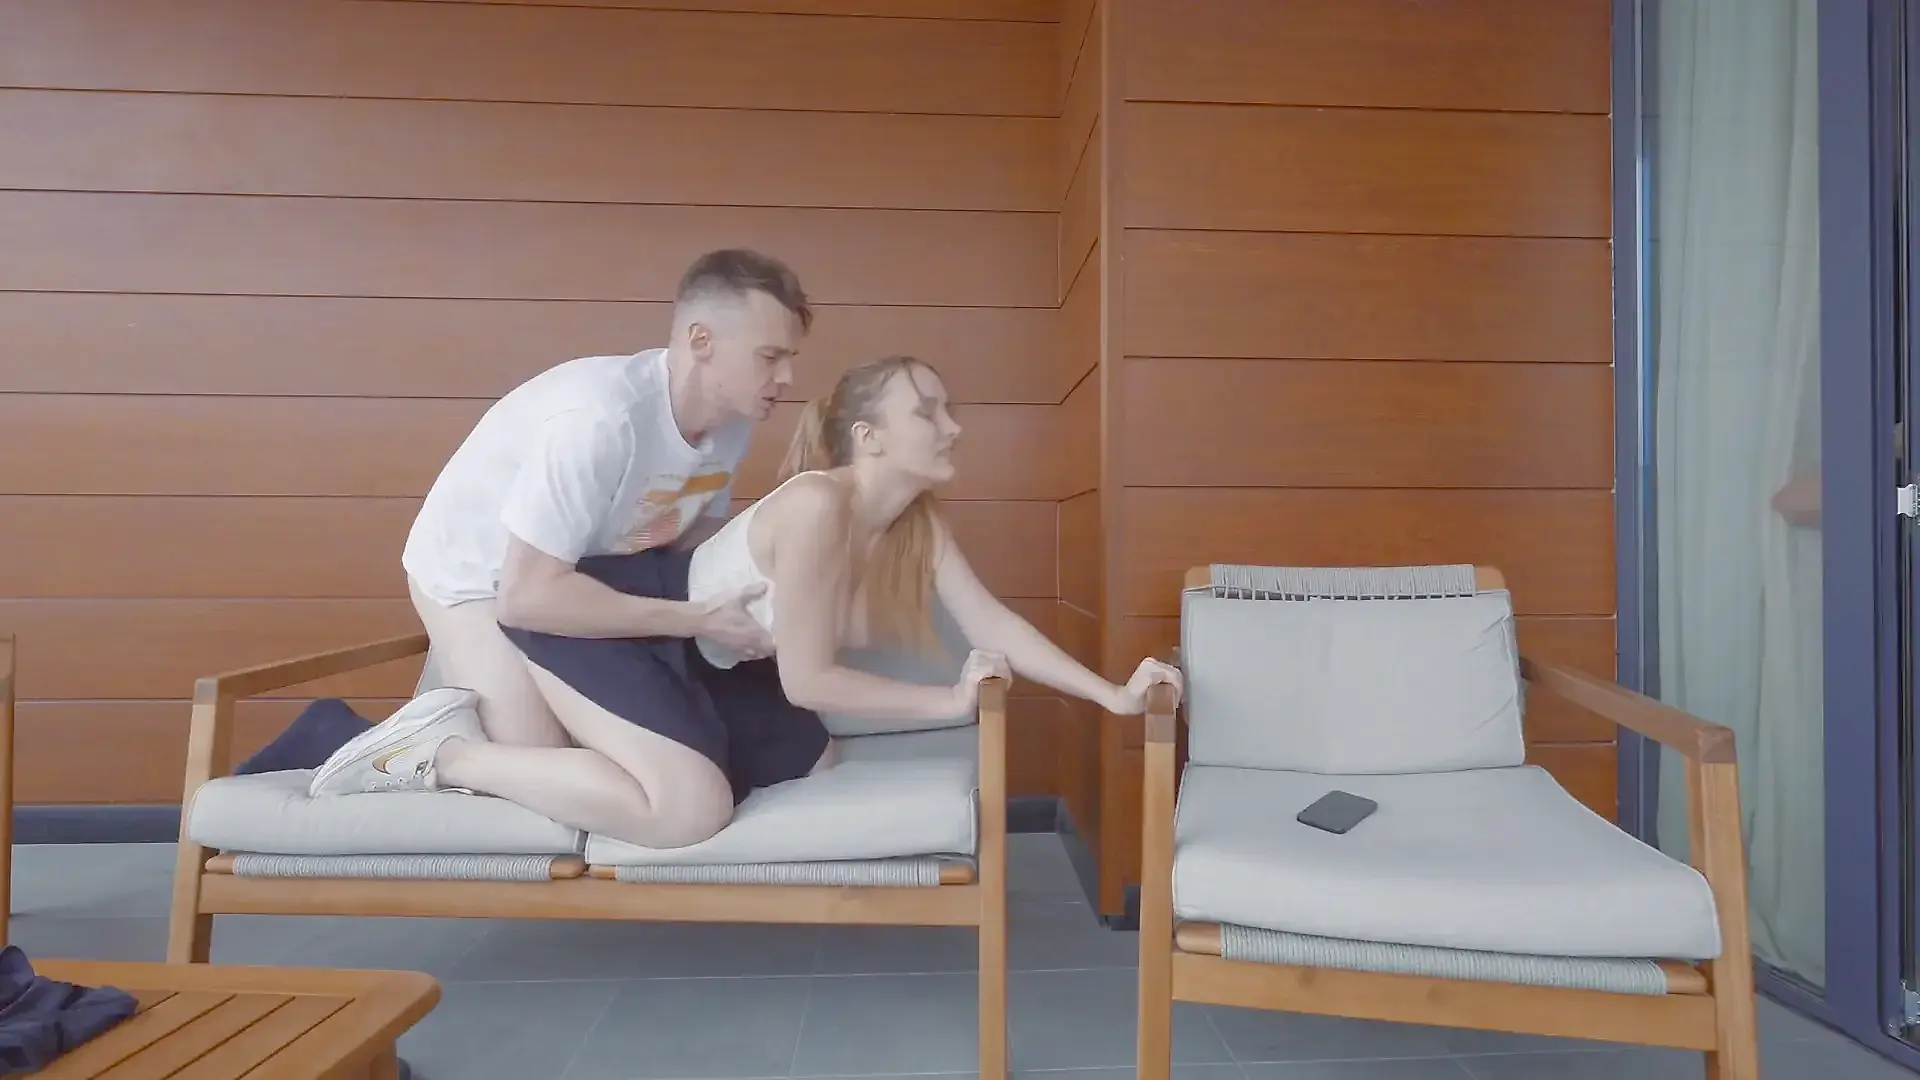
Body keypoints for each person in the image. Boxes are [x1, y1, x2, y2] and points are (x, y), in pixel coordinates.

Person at [309, 354, 1182, 851]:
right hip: (628, 625)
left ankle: (540, 749)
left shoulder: (917, 524)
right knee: (688, 812)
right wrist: (945, 700)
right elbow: (809, 681)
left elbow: (993, 622)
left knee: (815, 765)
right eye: (929, 412)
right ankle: (439, 755)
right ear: (870, 438)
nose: (953, 427)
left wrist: (1113, 696)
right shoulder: (815, 507)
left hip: (712, 658)